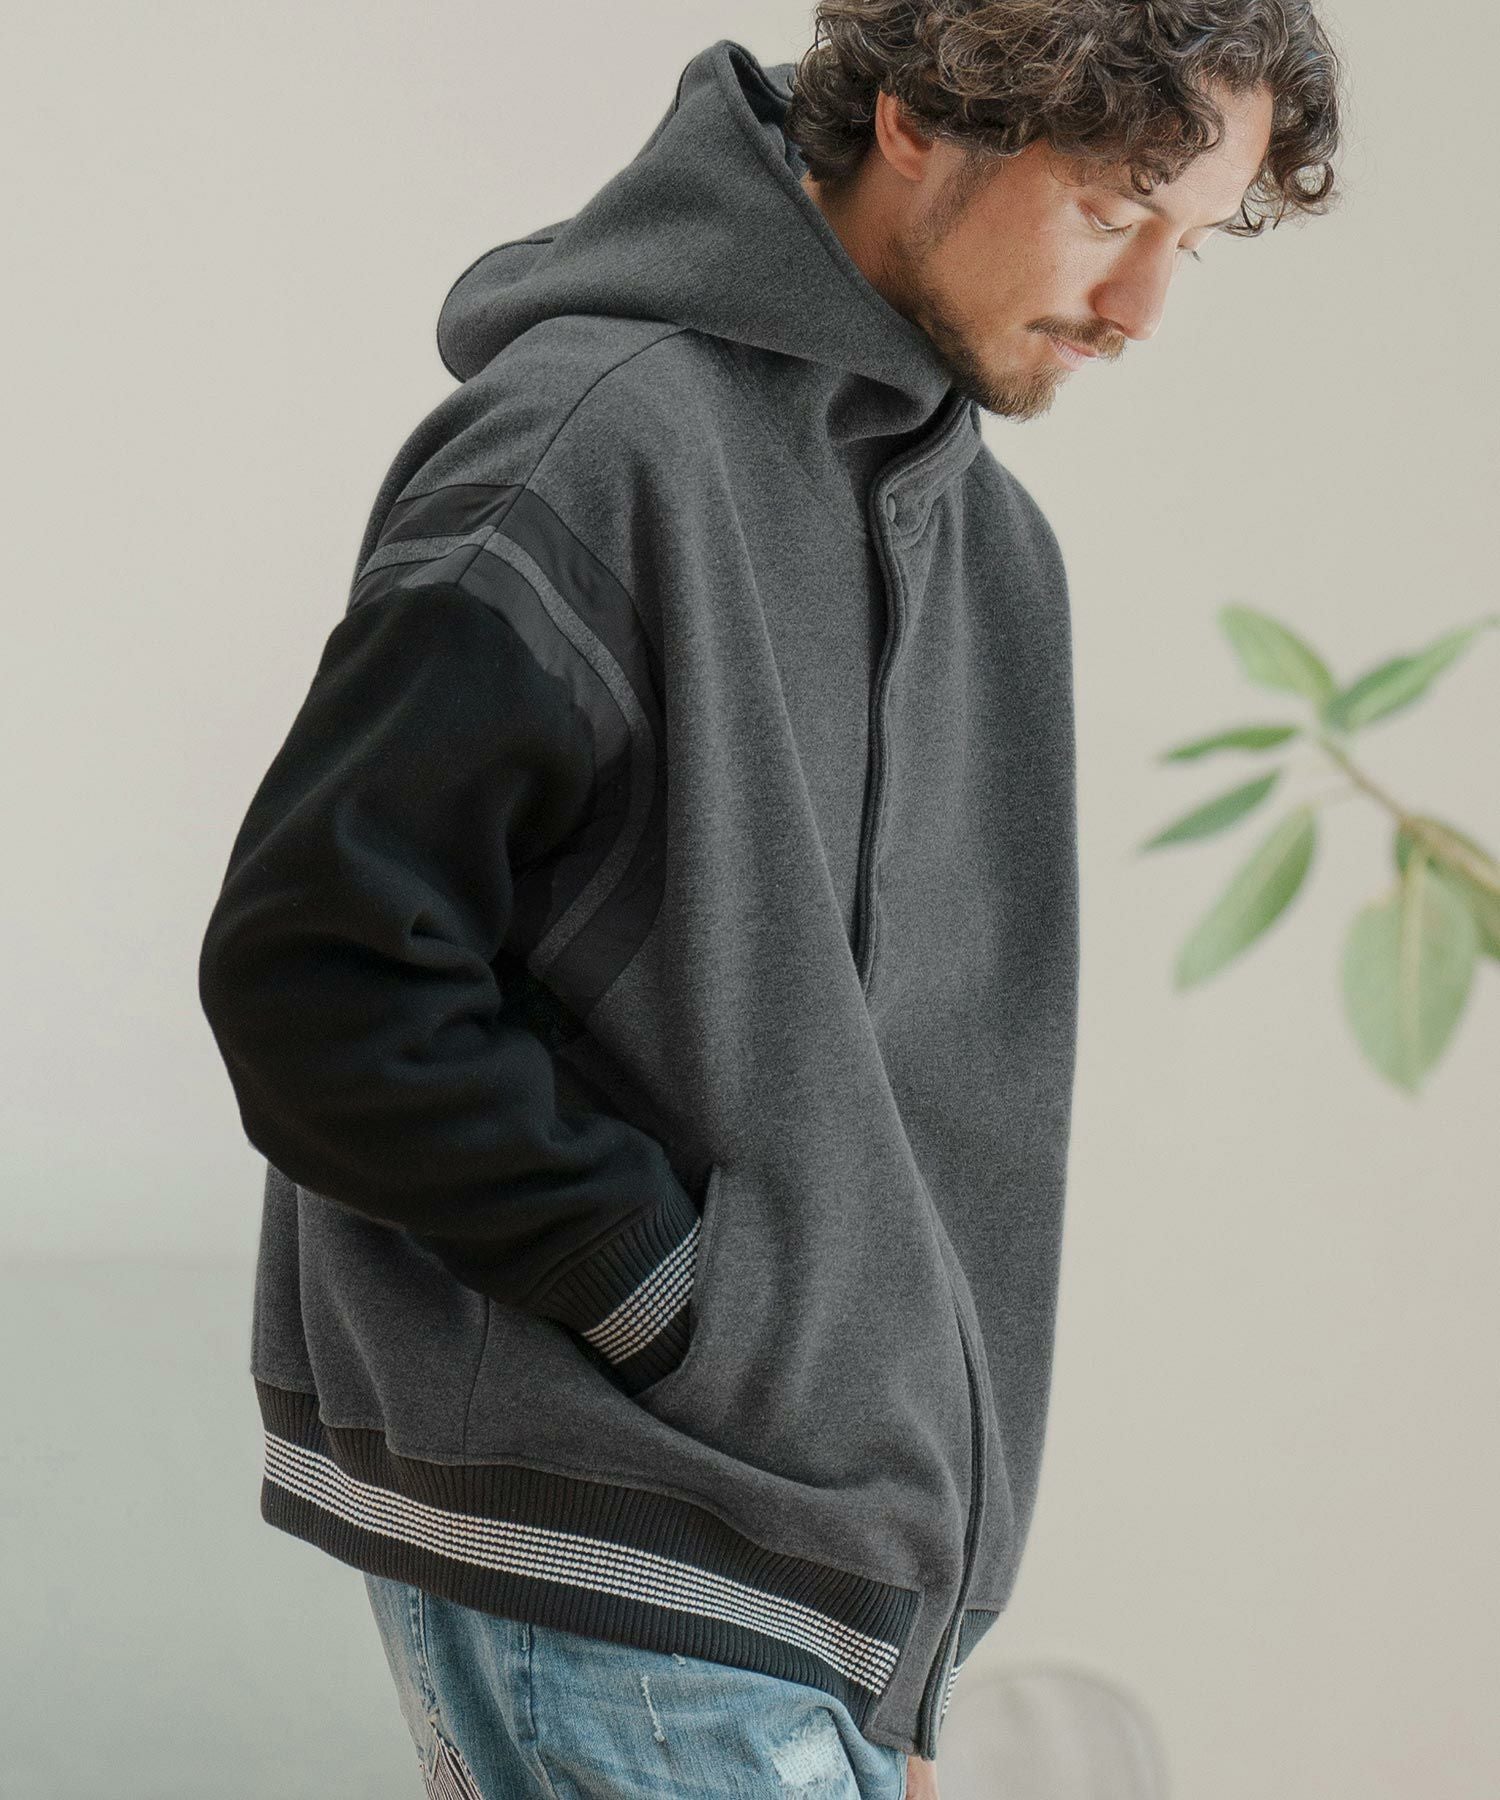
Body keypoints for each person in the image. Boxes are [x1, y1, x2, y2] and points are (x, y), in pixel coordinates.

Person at [197, 6, 1342, 1795]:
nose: (1140, 309)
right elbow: (319, 975)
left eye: (1185, 244)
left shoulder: (993, 555)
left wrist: (890, 1652)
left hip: (812, 1591)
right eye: (1115, 211)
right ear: (919, 119)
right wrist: (680, 1308)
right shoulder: (595, 445)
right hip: (628, 1554)